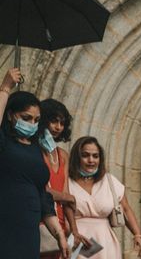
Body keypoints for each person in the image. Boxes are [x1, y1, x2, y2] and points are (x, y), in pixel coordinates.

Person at [0, 68, 69, 259]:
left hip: (29, 232)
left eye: (36, 120)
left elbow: (43, 195)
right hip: (5, 227)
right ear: (10, 115)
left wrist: (59, 234)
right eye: (26, 118)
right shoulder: (4, 143)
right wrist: (5, 88)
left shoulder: (35, 149)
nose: (31, 123)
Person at [68, 136, 141, 258]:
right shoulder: (67, 182)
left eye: (95, 156)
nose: (91, 160)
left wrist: (137, 235)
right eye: (85, 155)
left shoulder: (109, 181)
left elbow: (125, 209)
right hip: (76, 241)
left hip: (105, 241)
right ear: (77, 158)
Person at [39, 98, 86, 258]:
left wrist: (74, 230)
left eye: (62, 122)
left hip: (61, 224)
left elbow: (66, 198)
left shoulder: (62, 155)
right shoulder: (34, 151)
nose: (58, 127)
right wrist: (68, 197)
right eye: (53, 121)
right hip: (41, 222)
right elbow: (41, 190)